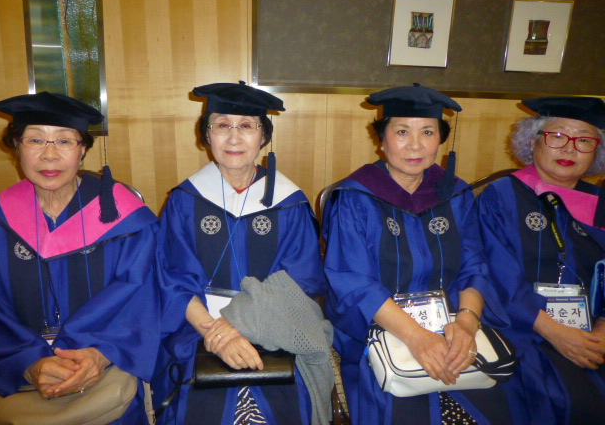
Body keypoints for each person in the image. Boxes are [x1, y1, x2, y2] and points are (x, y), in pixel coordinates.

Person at [323, 84, 524, 424]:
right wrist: (417, 337)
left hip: (452, 326)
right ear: (381, 140)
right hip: (381, 332)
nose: (415, 145)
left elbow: (474, 266)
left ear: (440, 139)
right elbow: (353, 282)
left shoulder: (456, 194)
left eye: (428, 132)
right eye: (402, 132)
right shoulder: (356, 197)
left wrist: (466, 322)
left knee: (494, 405)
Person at [0, 92, 160, 424]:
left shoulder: (126, 220)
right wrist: (30, 362)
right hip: (21, 383)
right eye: (35, 140)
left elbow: (143, 295)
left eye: (64, 141)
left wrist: (100, 353)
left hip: (107, 376)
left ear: (82, 150)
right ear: (16, 147)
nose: (49, 154)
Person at [152, 82, 330, 425]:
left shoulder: (289, 203)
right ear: (207, 134)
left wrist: (242, 326)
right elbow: (171, 280)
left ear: (264, 136)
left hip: (277, 331)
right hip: (197, 330)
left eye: (247, 126)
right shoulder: (184, 201)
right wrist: (215, 333)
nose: (234, 138)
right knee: (195, 402)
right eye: (222, 125)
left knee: (285, 402)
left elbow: (302, 284)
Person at [476, 96, 605, 424]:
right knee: (566, 399)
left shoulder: (601, 203)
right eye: (557, 136)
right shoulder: (501, 196)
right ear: (533, 142)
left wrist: (602, 329)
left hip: (594, 330)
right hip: (525, 329)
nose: (570, 149)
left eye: (584, 141)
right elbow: (496, 276)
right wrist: (554, 331)